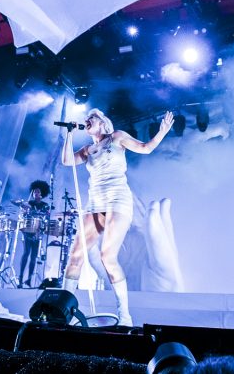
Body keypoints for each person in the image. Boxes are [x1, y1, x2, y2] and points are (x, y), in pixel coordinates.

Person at [61, 108, 174, 327]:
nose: (87, 121)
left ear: (102, 123)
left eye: (91, 118)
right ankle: (65, 311)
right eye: (86, 120)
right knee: (75, 256)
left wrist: (162, 131)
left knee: (107, 256)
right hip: (95, 203)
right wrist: (68, 134)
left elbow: (146, 148)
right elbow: (66, 161)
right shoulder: (87, 150)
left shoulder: (117, 137)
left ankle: (124, 314)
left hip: (118, 200)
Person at [17, 180, 51, 288]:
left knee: (33, 256)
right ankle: (20, 279)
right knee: (26, 253)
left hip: (38, 233)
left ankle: (29, 279)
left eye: (38, 192)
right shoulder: (29, 203)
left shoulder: (45, 206)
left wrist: (41, 229)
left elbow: (46, 219)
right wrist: (24, 210)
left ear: (42, 193)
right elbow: (23, 215)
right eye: (34, 192)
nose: (35, 193)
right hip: (27, 231)